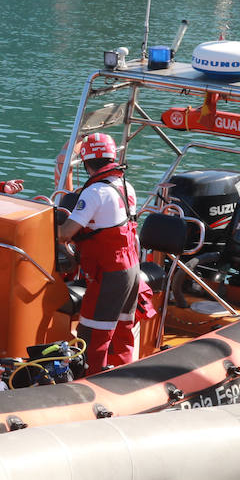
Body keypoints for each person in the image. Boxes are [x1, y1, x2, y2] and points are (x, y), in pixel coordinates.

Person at [56, 132, 141, 377]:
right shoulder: (125, 185)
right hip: (131, 269)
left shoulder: (94, 193)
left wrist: (52, 228)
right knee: (123, 329)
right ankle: (122, 377)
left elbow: (66, 233)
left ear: (86, 162)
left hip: (110, 273)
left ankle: (90, 383)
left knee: (93, 333)